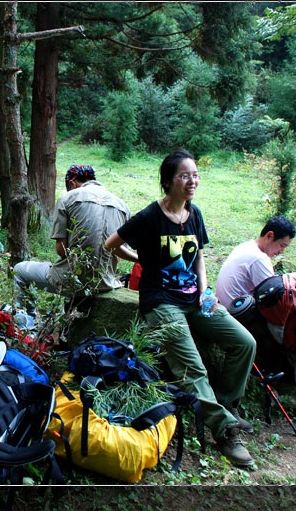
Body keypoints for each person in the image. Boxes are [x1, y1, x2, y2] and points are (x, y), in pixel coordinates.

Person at [104, 149, 257, 469]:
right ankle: (224, 430)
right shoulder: (149, 216)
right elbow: (111, 244)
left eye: (196, 175)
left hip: (193, 300)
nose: (192, 181)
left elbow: (198, 255)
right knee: (193, 367)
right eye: (185, 175)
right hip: (160, 302)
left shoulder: (194, 214)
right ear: (168, 181)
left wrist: (205, 292)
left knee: (245, 342)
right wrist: (140, 260)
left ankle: (225, 406)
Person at [13, 165, 135, 314]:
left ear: (71, 183)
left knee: (20, 270)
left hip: (72, 279)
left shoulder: (68, 198)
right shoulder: (122, 205)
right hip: (106, 281)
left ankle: (25, 323)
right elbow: (119, 252)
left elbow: (61, 251)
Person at [216, 215, 296, 309]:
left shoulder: (246, 246)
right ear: (270, 236)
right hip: (237, 314)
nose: (282, 251)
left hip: (226, 306)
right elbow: (275, 296)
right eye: (282, 245)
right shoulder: (259, 259)